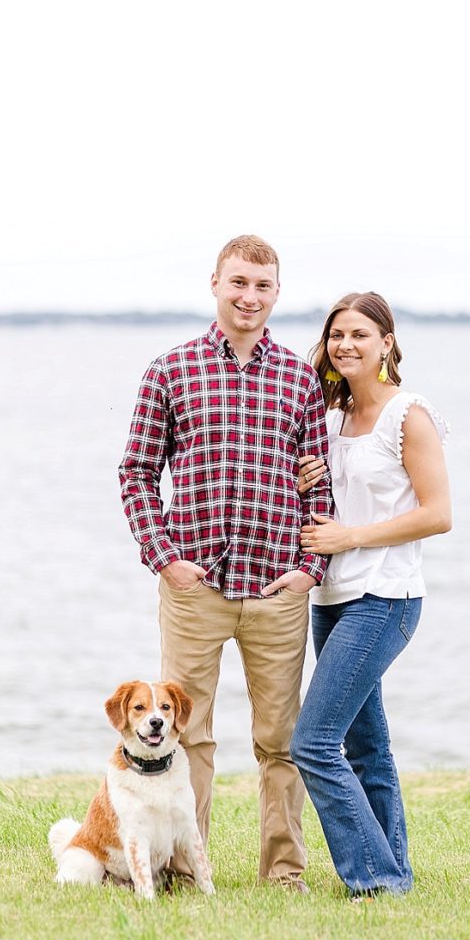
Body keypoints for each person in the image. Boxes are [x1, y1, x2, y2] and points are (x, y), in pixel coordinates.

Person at [118, 235, 332, 893]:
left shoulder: (300, 378)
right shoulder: (171, 370)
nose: (249, 297)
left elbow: (319, 488)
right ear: (215, 283)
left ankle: (285, 874)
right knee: (188, 737)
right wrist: (165, 559)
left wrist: (307, 571)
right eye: (238, 283)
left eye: (262, 286)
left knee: (281, 741)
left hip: (276, 588)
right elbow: (136, 472)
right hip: (196, 588)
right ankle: (187, 868)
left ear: (276, 293)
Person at [263, 291, 451, 899]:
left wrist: (352, 535)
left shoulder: (408, 415)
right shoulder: (330, 419)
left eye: (360, 335)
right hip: (333, 598)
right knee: (366, 745)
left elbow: (438, 514)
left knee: (313, 743)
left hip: (387, 597)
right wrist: (301, 483)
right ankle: (395, 867)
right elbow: (322, 505)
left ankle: (377, 880)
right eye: (336, 334)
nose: (346, 345)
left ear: (387, 344)